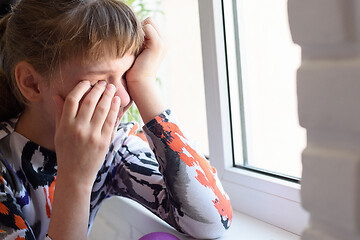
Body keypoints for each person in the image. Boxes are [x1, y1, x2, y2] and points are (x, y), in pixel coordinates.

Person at [0, 0, 233, 239]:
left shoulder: (112, 146)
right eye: (100, 81)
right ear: (32, 83)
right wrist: (76, 180)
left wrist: (144, 84)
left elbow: (213, 220)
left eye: (127, 74)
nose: (122, 97)